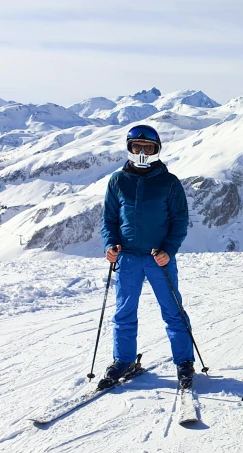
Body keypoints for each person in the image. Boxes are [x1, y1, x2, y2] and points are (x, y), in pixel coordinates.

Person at [99, 125, 194, 389]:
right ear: (129, 148)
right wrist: (111, 244)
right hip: (127, 257)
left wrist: (168, 250)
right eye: (137, 147)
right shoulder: (118, 181)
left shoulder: (169, 182)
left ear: (156, 150)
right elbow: (109, 219)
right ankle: (124, 360)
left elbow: (180, 221)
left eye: (148, 148)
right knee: (123, 313)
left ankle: (184, 362)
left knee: (173, 311)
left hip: (158, 259)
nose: (142, 152)